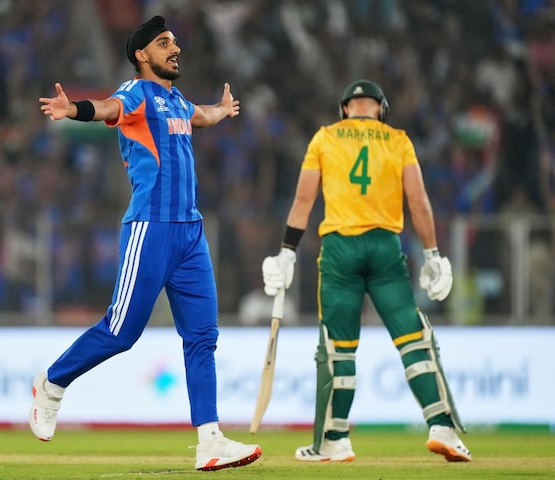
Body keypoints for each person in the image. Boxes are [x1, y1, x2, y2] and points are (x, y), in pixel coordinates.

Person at [29, 16, 262, 472]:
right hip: (150, 227)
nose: (175, 48)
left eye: (174, 41)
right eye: (164, 43)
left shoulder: (176, 100)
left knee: (202, 337)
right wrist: (72, 109)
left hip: (191, 233)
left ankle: (210, 441)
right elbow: (106, 108)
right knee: (122, 331)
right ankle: (52, 384)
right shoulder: (135, 92)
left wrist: (222, 109)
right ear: (142, 55)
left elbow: (201, 116)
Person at [262, 79, 471, 463]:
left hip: (340, 249)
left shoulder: (325, 137)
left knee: (337, 348)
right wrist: (433, 254)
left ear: (345, 109)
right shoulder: (398, 140)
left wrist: (286, 253)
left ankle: (333, 440)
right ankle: (442, 426)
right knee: (413, 337)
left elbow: (303, 201)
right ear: (380, 108)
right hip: (385, 247)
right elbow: (419, 202)